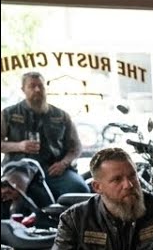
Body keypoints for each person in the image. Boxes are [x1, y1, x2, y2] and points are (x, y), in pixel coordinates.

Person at [1, 71, 91, 210]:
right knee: (11, 197)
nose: (37, 89)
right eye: (32, 86)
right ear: (23, 89)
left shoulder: (61, 116)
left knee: (80, 189)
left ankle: (71, 228)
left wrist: (63, 164)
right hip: (19, 170)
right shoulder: (8, 113)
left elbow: (76, 147)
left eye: (40, 86)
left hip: (54, 170)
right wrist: (19, 146)